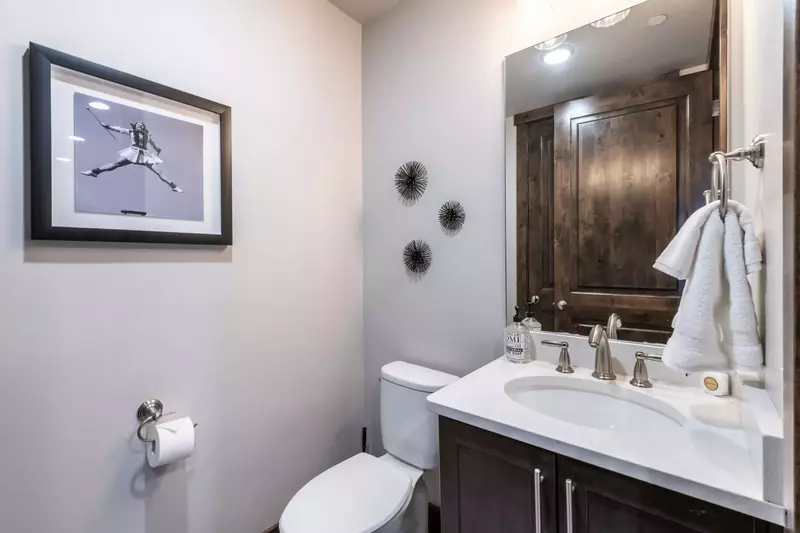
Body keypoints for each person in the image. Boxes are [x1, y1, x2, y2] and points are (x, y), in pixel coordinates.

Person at [80, 121, 183, 193]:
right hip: (133, 152)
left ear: (144, 127)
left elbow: (153, 143)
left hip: (145, 154)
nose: (139, 126)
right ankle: (94, 172)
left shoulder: (148, 134)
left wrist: (157, 149)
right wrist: (107, 126)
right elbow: (119, 129)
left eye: (141, 125)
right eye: (138, 125)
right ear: (136, 126)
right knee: (115, 164)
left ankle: (174, 186)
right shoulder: (131, 131)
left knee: (159, 171)